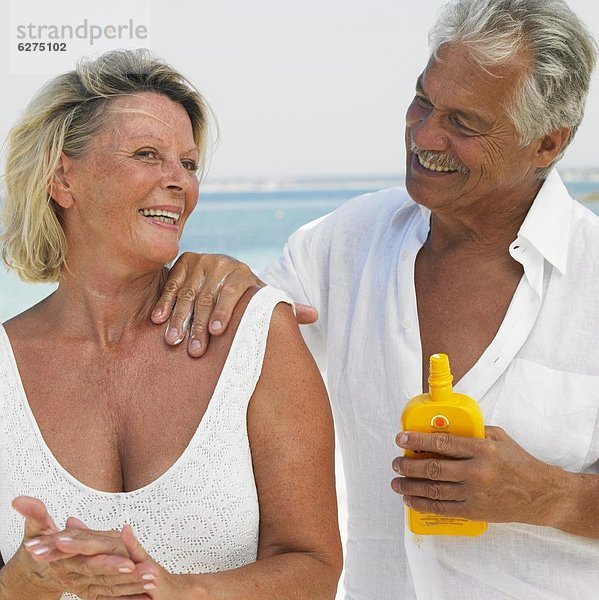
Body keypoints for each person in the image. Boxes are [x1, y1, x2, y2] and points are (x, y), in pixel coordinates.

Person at [151, 0, 599, 598]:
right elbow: (214, 366)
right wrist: (213, 278)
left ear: (547, 143)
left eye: (464, 124)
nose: (424, 135)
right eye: (422, 100)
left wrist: (552, 496)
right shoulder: (339, 244)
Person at [0, 49, 342, 600]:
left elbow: (314, 568)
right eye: (147, 154)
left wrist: (178, 591)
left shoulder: (255, 335)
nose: (179, 181)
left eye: (188, 164)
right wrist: (23, 581)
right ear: (63, 177)